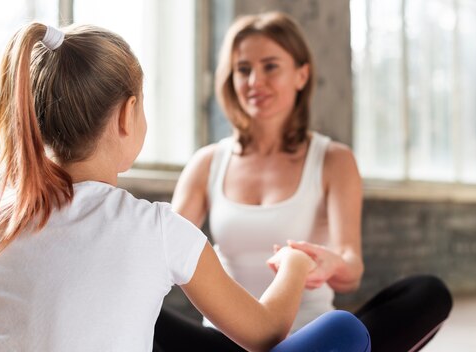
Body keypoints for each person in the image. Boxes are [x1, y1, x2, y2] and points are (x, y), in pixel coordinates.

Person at [0, 22, 325, 352]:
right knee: (344, 328)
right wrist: (295, 263)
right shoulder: (157, 228)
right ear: (126, 114)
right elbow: (265, 333)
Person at [159, 11, 453, 352]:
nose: (255, 81)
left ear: (301, 75)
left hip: (312, 336)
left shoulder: (333, 160)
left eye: (270, 66)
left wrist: (331, 262)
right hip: (223, 342)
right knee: (146, 316)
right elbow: (164, 252)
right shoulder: (207, 163)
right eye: (243, 69)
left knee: (426, 293)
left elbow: (351, 268)